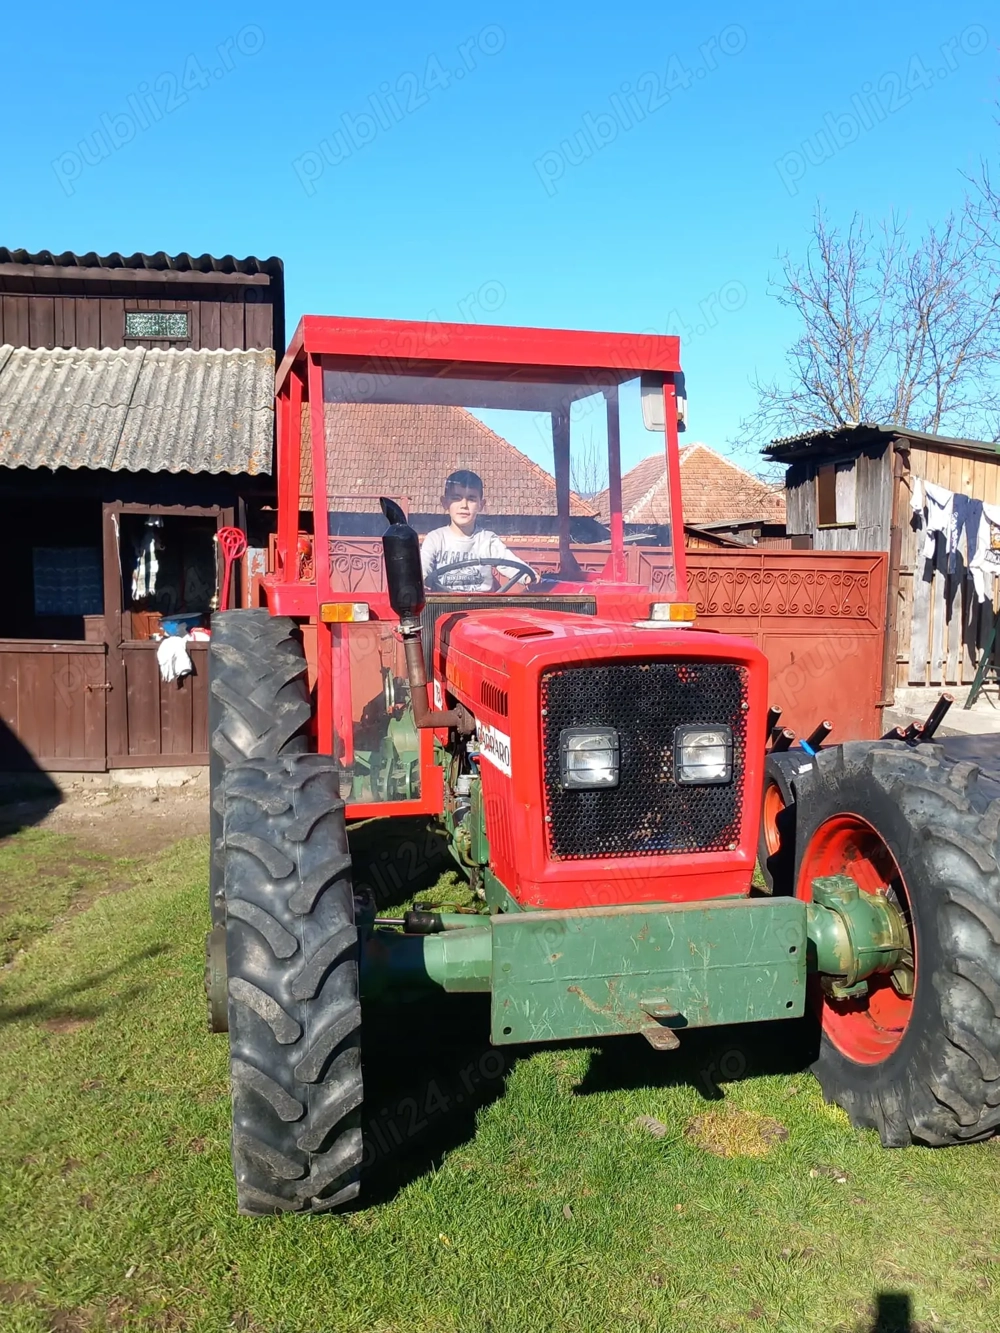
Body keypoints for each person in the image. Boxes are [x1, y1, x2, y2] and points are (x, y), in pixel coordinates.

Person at [421, 469, 533, 592]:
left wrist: (528, 576)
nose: (464, 505)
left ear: (481, 504)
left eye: (471, 499)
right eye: (456, 498)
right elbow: (422, 570)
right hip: (443, 605)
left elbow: (507, 561)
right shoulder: (435, 539)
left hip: (481, 605)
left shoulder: (487, 540)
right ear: (445, 503)